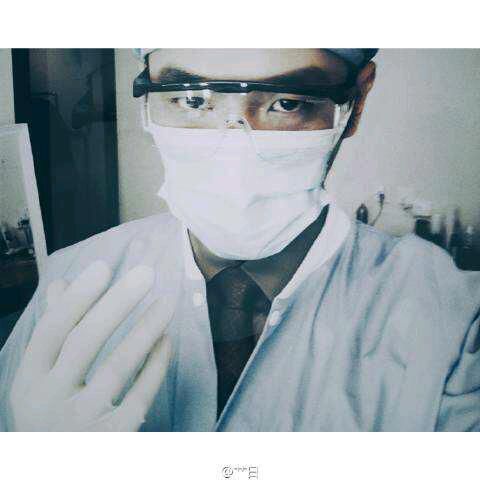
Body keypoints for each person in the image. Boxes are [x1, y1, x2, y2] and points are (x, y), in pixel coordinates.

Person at [0, 49, 479, 431]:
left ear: (356, 101)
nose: (233, 150)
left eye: (286, 102)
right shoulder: (71, 283)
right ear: (146, 102)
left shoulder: (452, 324)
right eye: (192, 100)